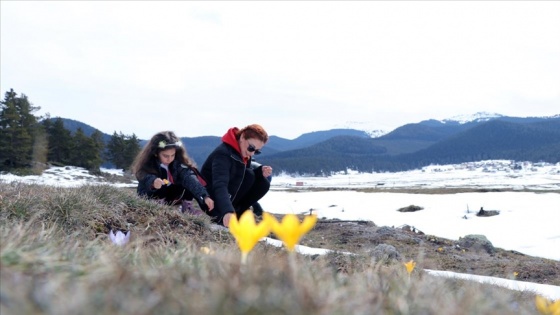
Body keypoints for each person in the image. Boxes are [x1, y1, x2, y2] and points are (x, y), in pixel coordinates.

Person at [201, 124, 273, 227]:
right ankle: (224, 217)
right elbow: (220, 185)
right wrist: (227, 211)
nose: (252, 154)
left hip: (228, 197)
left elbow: (243, 176)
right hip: (211, 202)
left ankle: (238, 215)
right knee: (249, 175)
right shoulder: (223, 154)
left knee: (262, 183)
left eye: (257, 151)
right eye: (252, 148)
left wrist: (259, 172)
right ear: (243, 137)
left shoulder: (242, 152)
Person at [130, 131, 214, 214]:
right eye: (165, 156)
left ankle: (187, 208)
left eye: (172, 155)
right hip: (150, 196)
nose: (169, 159)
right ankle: (158, 207)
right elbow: (143, 175)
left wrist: (204, 196)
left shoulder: (178, 164)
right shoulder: (148, 164)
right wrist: (153, 182)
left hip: (170, 196)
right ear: (156, 153)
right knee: (161, 181)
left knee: (187, 181)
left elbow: (190, 178)